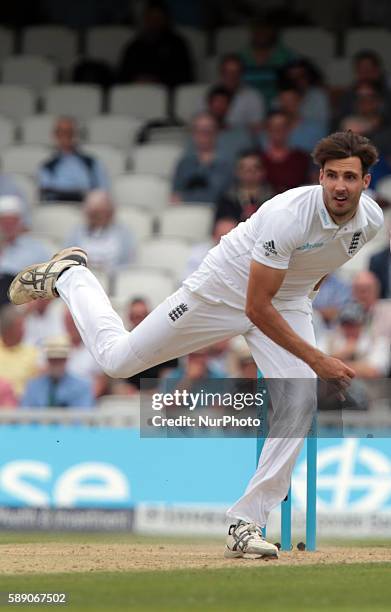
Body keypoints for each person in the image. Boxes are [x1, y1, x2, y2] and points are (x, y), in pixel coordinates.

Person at [8, 130, 383, 559]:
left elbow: (322, 264)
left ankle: (246, 522)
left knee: (299, 400)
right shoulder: (288, 215)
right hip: (220, 292)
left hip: (286, 299)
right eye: (332, 175)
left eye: (350, 178)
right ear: (320, 176)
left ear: (365, 183)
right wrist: (318, 358)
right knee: (117, 362)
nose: (340, 186)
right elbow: (256, 309)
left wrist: (304, 310)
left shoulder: (370, 222)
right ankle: (71, 275)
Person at [117, 2, 193, 87]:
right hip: (136, 94)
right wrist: (137, 80)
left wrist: (158, 80)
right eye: (151, 18)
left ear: (166, 19)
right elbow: (122, 78)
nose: (154, 22)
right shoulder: (134, 46)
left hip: (169, 94)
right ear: (145, 19)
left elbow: (186, 76)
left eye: (158, 18)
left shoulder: (178, 44)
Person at [38, 117, 110, 202]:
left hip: (87, 207)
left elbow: (103, 192)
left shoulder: (91, 163)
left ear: (76, 134)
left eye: (70, 132)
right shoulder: (47, 166)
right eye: (62, 132)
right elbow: (46, 193)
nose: (66, 136)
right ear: (55, 135)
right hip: (58, 207)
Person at [64, 190, 135, 271]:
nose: (96, 218)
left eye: (99, 213)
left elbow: (128, 265)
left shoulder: (123, 234)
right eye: (92, 214)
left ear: (110, 213)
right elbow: (67, 261)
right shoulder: (76, 233)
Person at [171, 113, 232, 204]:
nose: (204, 134)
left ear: (216, 132)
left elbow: (218, 196)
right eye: (199, 130)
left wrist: (185, 198)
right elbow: (175, 196)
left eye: (208, 130)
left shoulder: (226, 163)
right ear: (193, 134)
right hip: (186, 212)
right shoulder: (184, 163)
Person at [21, 337, 95, 409]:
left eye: (60, 359)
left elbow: (83, 417)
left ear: (66, 359)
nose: (56, 364)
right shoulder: (33, 387)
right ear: (47, 360)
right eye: (53, 359)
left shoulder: (82, 386)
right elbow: (25, 416)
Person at [209, 54, 265, 130]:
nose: (231, 76)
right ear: (221, 72)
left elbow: (258, 127)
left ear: (242, 74)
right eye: (227, 72)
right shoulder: (209, 92)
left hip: (242, 140)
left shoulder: (254, 96)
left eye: (236, 72)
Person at [260, 111, 311, 193]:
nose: (278, 130)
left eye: (282, 126)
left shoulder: (302, 158)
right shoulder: (258, 159)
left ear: (289, 129)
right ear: (267, 129)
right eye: (273, 126)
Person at [216, 150, 274, 222]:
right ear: (236, 171)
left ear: (263, 171)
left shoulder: (273, 199)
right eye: (244, 167)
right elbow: (221, 228)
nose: (250, 171)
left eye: (255, 167)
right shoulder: (227, 199)